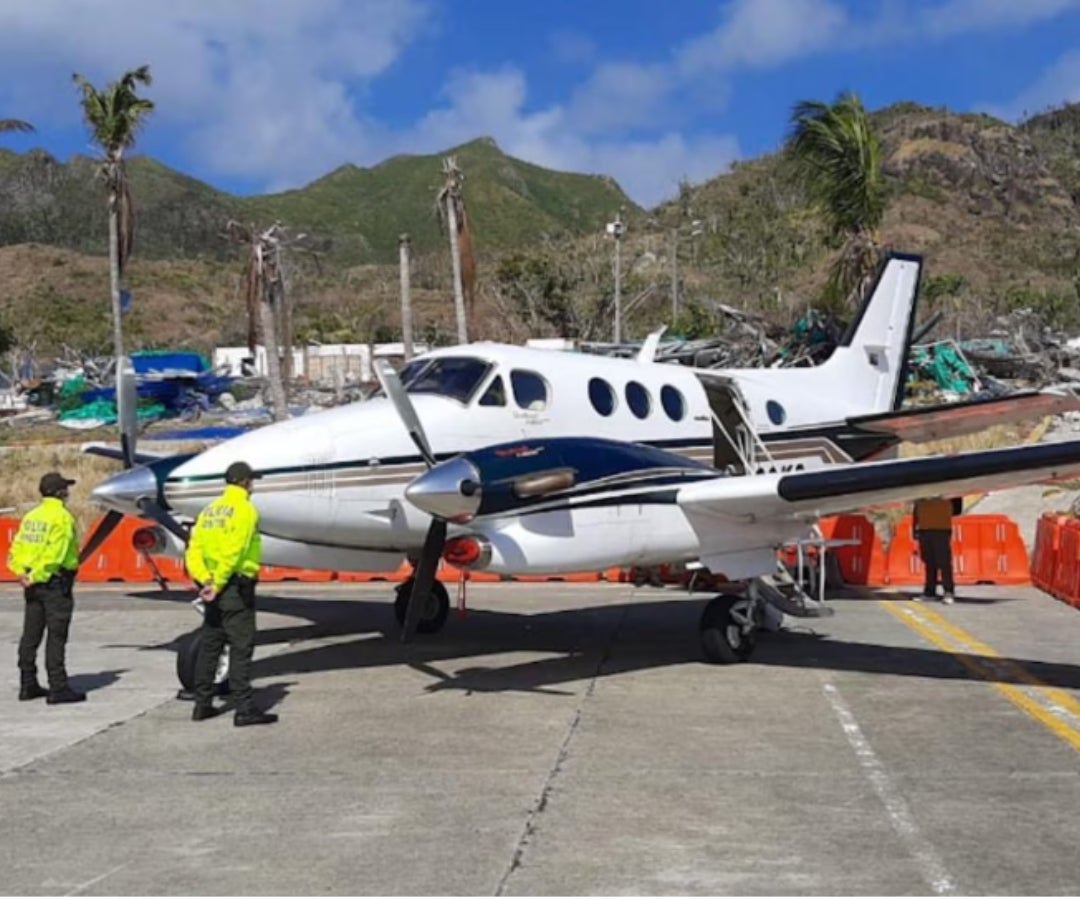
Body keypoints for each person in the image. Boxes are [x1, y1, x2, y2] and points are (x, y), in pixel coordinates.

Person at [184, 461, 277, 726]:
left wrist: (205, 580)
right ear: (245, 482)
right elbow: (235, 550)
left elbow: (194, 549)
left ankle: (202, 704)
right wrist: (220, 582)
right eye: (252, 481)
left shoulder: (210, 510)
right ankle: (244, 708)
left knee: (211, 645)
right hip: (234, 587)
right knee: (241, 646)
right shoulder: (244, 509)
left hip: (212, 587)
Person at [7, 471, 86, 703]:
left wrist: (22, 573)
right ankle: (58, 687)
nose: (68, 493)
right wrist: (39, 575)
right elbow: (57, 554)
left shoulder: (32, 516)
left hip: (31, 582)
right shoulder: (61, 517)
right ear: (60, 492)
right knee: (56, 635)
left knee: (30, 635)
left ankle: (27, 683)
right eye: (66, 489)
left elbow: (18, 548)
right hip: (54, 582)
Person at [913, 496, 957, 604]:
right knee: (929, 562)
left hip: (941, 528)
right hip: (924, 528)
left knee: (943, 562)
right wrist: (914, 528)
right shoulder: (920, 493)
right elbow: (916, 509)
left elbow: (956, 507)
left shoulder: (947, 491)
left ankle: (948, 591)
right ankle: (930, 592)